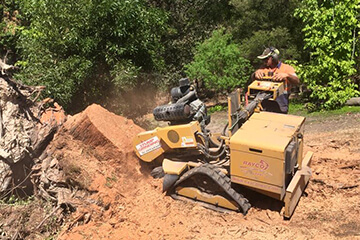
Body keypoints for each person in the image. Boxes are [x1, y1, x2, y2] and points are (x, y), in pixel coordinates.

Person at [251, 47, 299, 113]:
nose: (264, 61)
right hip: (264, 104)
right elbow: (253, 80)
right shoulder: (262, 68)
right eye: (263, 60)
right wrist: (255, 73)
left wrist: (287, 75)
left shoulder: (287, 68)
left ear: (274, 57)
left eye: (266, 59)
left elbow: (297, 81)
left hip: (281, 104)